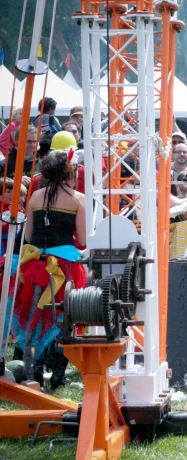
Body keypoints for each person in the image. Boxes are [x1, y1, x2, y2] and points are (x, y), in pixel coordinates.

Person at [11, 152, 87, 387]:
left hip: (34, 264)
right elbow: (83, 240)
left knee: (35, 316)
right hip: (64, 266)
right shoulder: (78, 199)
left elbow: (28, 235)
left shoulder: (35, 196)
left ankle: (33, 373)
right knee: (67, 317)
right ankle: (58, 375)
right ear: (69, 173)